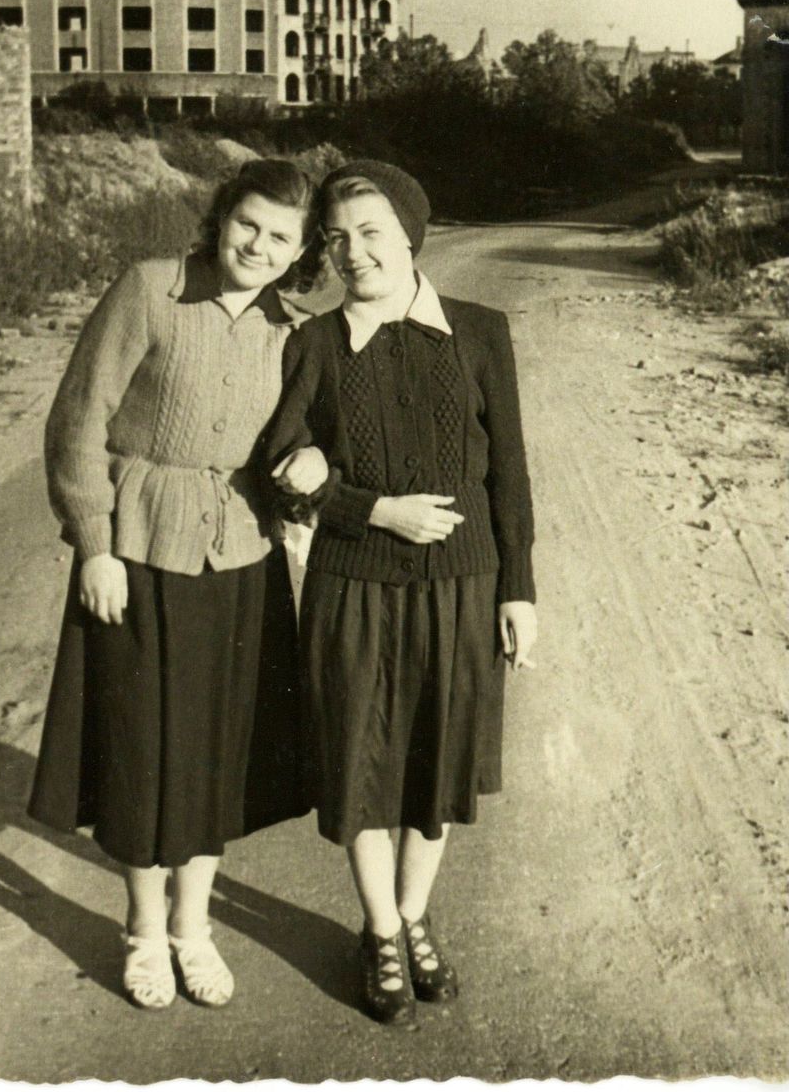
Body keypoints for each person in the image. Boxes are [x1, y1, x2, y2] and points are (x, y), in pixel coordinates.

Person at [28, 160, 326, 1012]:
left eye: (280, 237)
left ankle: (193, 929)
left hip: (242, 559)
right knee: (140, 748)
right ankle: (143, 932)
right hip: (139, 553)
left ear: (301, 253)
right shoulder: (149, 290)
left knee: (215, 754)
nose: (258, 246)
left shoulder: (293, 329)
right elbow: (78, 420)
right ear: (220, 217)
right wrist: (95, 545)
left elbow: (300, 441)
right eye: (247, 224)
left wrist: (308, 473)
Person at [268, 159, 538, 1029]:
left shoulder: (481, 332)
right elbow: (279, 467)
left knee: (437, 762)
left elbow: (511, 475)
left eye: (371, 233)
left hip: (463, 588)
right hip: (352, 588)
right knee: (359, 763)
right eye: (337, 239)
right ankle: (381, 931)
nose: (354, 253)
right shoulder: (314, 345)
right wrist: (369, 509)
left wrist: (519, 589)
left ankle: (415, 917)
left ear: (411, 235)